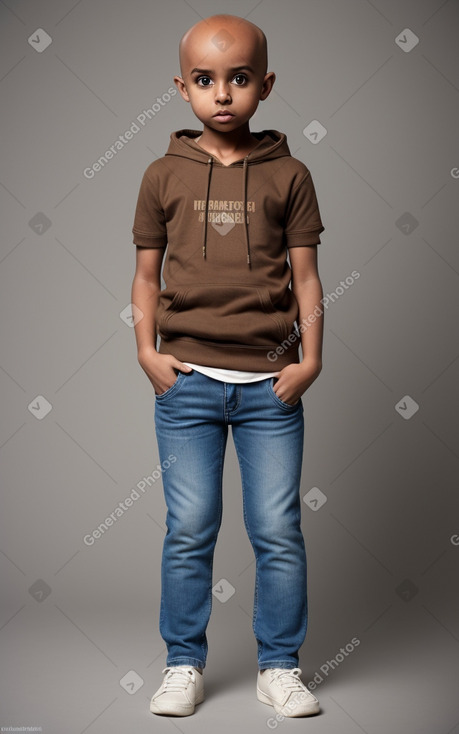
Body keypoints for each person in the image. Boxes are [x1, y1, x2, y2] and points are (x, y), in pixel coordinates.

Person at [131, 13, 325, 718]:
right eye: (206, 81)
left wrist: (311, 360)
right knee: (190, 527)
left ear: (264, 85)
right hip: (185, 387)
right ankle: (183, 664)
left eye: (239, 79)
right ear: (181, 88)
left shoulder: (291, 174)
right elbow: (146, 277)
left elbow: (305, 279)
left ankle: (279, 665)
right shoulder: (160, 175)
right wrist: (146, 352)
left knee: (276, 529)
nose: (223, 94)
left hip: (271, 388)